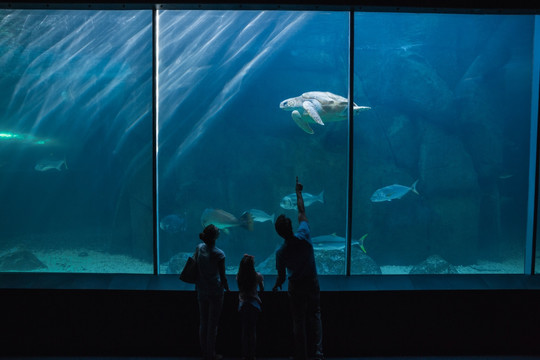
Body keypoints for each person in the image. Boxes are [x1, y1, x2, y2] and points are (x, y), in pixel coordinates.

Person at [272, 177, 324, 360]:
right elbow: (301, 210)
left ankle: (300, 354)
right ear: (292, 226)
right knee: (315, 314)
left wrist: (276, 285)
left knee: (298, 320)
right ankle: (318, 352)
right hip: (311, 282)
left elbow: (280, 276)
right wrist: (298, 192)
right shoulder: (305, 234)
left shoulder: (281, 252)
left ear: (278, 232)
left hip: (296, 286)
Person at [196, 224, 230, 360]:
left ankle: (204, 352)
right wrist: (227, 287)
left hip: (201, 290)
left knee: (203, 322)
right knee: (212, 324)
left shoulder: (199, 248)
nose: (219, 230)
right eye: (217, 230)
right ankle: (211, 354)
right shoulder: (219, 254)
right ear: (215, 236)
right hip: (215, 292)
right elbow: (223, 276)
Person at [236, 254, 264, 360]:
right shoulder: (258, 276)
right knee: (252, 331)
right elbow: (262, 289)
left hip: (243, 304)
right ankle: (252, 355)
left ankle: (244, 354)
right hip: (254, 304)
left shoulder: (239, 276)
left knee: (244, 330)